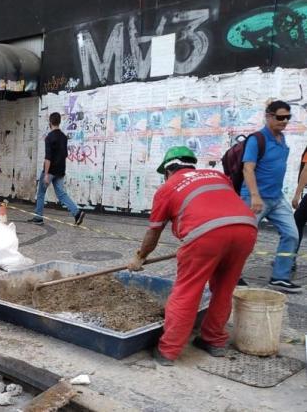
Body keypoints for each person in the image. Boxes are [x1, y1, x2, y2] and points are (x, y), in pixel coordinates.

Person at [128, 146, 257, 366]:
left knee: (188, 291)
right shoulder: (217, 175)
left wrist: (140, 256)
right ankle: (214, 340)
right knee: (224, 289)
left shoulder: (167, 187)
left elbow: (154, 231)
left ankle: (168, 350)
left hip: (205, 236)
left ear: (167, 171)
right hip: (246, 229)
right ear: (190, 165)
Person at [241, 100, 301, 293]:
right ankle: (232, 275)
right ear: (268, 116)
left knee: (292, 234)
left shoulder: (282, 139)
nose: (284, 121)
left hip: (277, 198)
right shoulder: (257, 139)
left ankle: (279, 277)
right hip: (255, 198)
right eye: (280, 117)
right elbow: (247, 169)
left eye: (287, 117)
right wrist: (255, 196)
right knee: (244, 239)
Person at [27, 112, 85, 226]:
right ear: (59, 122)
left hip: (50, 171)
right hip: (60, 170)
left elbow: (48, 158)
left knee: (41, 193)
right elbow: (65, 155)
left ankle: (38, 218)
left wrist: (47, 174)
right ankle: (77, 213)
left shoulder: (49, 137)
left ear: (50, 122)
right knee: (62, 194)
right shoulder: (64, 137)